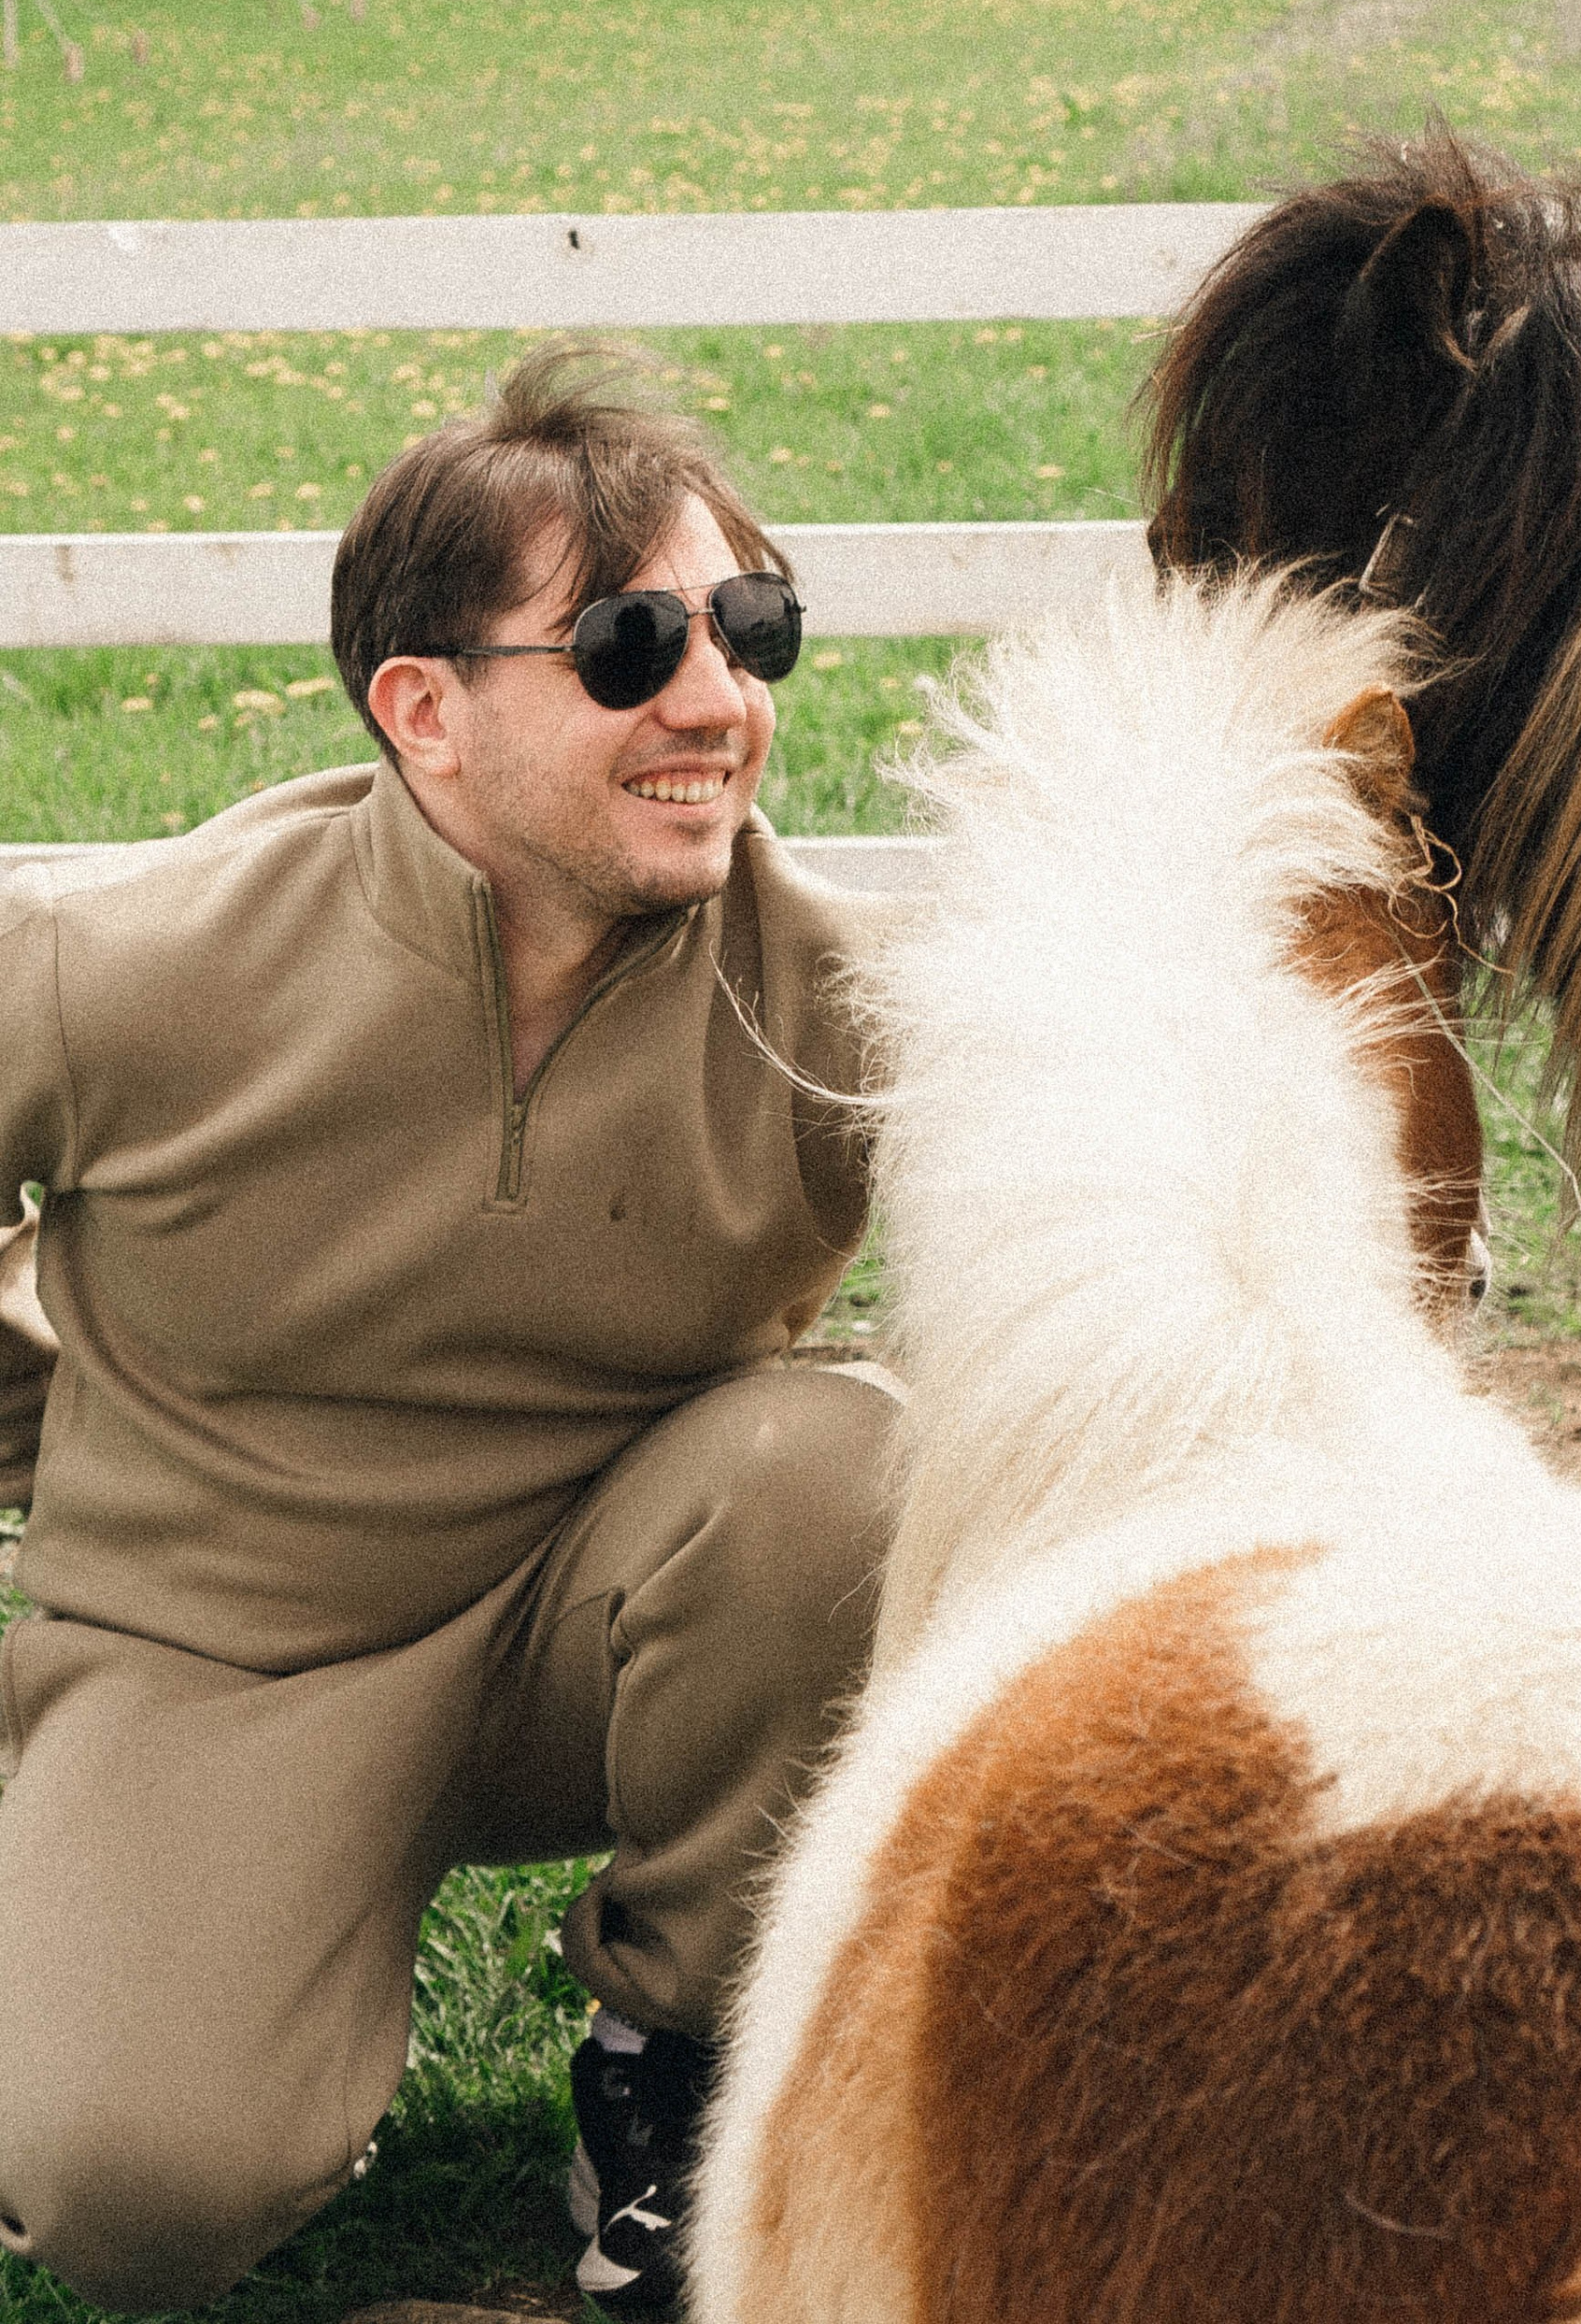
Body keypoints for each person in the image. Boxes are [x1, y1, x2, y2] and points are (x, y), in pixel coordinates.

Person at [0, 349, 902, 2319]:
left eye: (752, 630)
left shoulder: (841, 1002)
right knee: (133, 2202)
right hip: (216, 1660)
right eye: (628, 641)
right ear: (423, 710)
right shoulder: (127, 970)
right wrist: (37, 1419)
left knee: (844, 1463)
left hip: (610, 1641)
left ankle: (678, 2049)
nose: (716, 703)